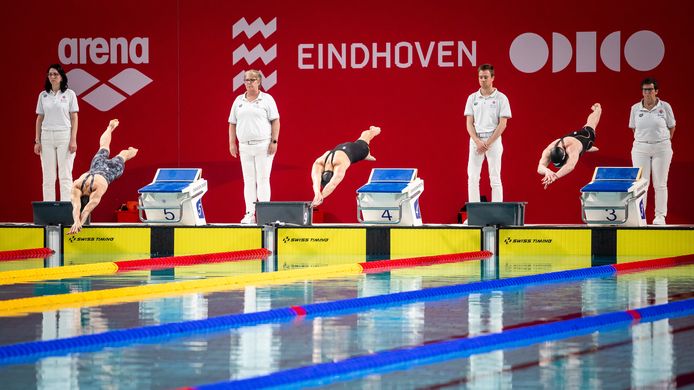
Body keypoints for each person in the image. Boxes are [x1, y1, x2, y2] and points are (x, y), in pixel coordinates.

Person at [228, 69, 280, 224]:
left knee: (263, 179)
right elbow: (232, 123)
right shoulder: (238, 101)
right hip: (245, 146)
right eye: (246, 80)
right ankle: (249, 214)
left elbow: (275, 120)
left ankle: (264, 214)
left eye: (252, 80)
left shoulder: (267, 99)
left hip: (263, 145)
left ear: (259, 81)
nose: (248, 83)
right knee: (248, 181)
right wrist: (232, 143)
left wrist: (274, 141)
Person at [68, 119, 138, 235]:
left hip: (109, 172)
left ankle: (133, 150)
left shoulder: (96, 188)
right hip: (96, 167)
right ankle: (110, 128)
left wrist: (77, 222)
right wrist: (77, 222)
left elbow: (82, 208)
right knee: (104, 147)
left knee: (123, 155)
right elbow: (82, 208)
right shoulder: (77, 184)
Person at [629, 78, 676, 225]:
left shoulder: (665, 107)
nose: (647, 93)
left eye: (650, 90)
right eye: (645, 90)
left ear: (656, 91)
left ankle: (660, 216)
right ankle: (640, 216)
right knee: (641, 183)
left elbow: (671, 127)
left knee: (660, 183)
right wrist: (645, 141)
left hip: (661, 148)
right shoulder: (635, 108)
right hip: (640, 149)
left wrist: (662, 141)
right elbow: (634, 128)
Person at [464, 63, 512, 203]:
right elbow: (469, 123)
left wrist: (488, 142)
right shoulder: (472, 98)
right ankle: (474, 215)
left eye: (485, 77)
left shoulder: (501, 98)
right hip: (476, 141)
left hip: (494, 140)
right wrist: (477, 141)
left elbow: (503, 124)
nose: (482, 80)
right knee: (472, 177)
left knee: (495, 177)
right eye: (480, 77)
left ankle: (497, 213)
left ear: (492, 78)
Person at [35, 64, 79, 201]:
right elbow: (39, 118)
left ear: (61, 76)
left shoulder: (70, 94)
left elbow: (74, 117)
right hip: (46, 136)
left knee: (65, 175)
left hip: (64, 136)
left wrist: (73, 139)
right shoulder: (43, 95)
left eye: (55, 74)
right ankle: (49, 212)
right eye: (50, 74)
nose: (52, 77)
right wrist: (37, 141)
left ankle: (66, 210)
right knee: (48, 176)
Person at [311, 126, 381, 207]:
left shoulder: (339, 165)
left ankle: (374, 131)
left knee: (366, 136)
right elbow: (316, 182)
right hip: (340, 148)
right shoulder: (318, 162)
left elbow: (332, 184)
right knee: (361, 139)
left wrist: (320, 198)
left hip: (359, 150)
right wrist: (317, 194)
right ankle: (368, 151)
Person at [537, 103, 602, 188]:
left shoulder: (572, 149)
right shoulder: (549, 149)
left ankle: (598, 109)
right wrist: (547, 171)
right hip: (569, 138)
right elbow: (539, 167)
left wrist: (555, 176)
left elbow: (570, 166)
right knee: (586, 147)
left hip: (585, 138)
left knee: (591, 123)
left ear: (565, 154)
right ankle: (587, 148)